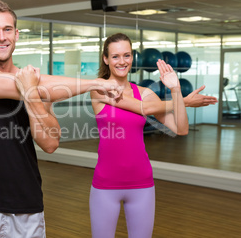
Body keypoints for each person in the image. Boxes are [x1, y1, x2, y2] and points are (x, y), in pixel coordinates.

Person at [0, 0, 132, 238]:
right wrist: (96, 83)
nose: (1, 37)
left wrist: (33, 96)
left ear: (16, 34)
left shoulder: (34, 82)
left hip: (28, 204)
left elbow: (50, 143)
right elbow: (12, 85)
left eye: (7, 30)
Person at [88, 32, 217, 238]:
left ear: (132, 58)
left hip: (142, 183)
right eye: (115, 56)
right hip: (106, 184)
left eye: (127, 55)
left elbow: (181, 129)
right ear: (106, 59)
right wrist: (184, 101)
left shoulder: (145, 92)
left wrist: (175, 89)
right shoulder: (99, 88)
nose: (122, 61)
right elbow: (142, 108)